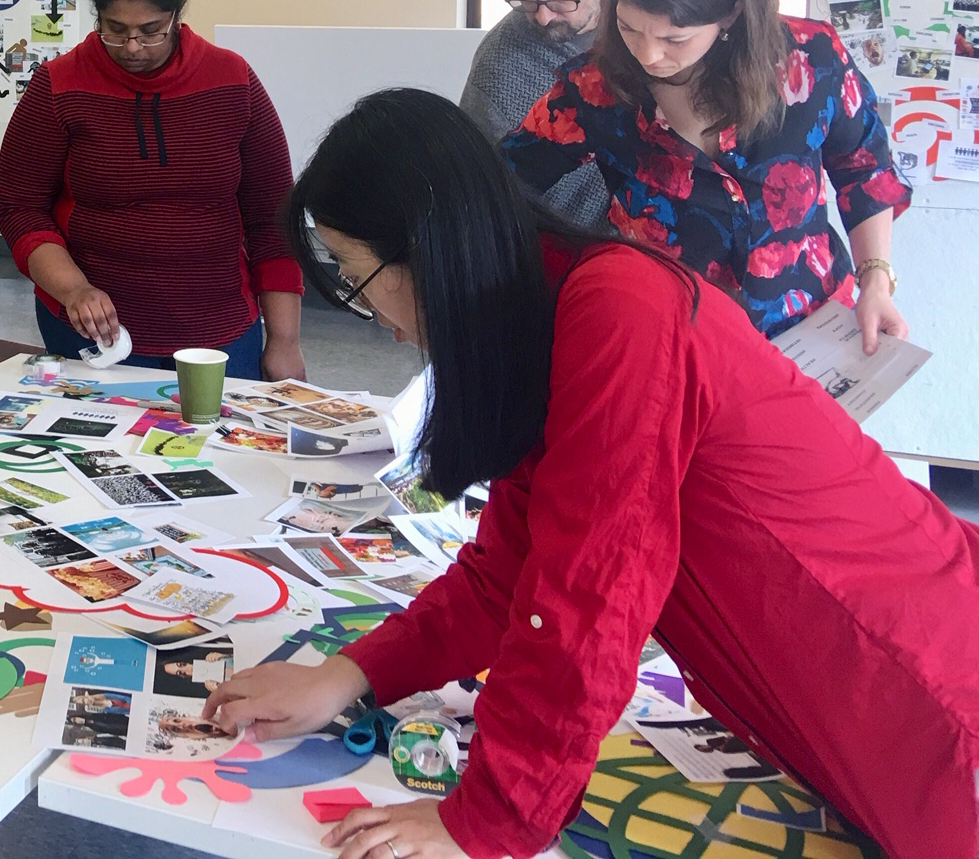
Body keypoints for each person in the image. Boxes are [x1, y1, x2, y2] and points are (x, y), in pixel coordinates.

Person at [201, 87, 979, 859]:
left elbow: (589, 586)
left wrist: (488, 818)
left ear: (428, 248)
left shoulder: (616, 307)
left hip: (929, 688)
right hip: (840, 711)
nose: (373, 320)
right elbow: (510, 569)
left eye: (355, 277)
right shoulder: (542, 311)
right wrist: (345, 677)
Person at [501, 0, 910, 348]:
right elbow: (503, 180)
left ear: (731, 12)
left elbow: (865, 171)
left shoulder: (812, 59)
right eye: (629, 27)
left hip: (811, 330)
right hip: (676, 342)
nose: (649, 54)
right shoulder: (594, 87)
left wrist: (875, 279)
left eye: (675, 38)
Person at [0, 0, 304, 381]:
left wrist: (285, 343)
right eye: (114, 29)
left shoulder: (233, 81)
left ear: (178, 15)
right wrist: (74, 288)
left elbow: (272, 217)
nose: (132, 47)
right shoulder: (58, 87)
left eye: (151, 30)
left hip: (219, 332)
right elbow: (20, 207)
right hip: (96, 335)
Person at [458, 0, 612, 229]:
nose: (543, 17)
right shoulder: (499, 67)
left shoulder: (650, 37)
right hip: (560, 252)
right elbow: (485, 198)